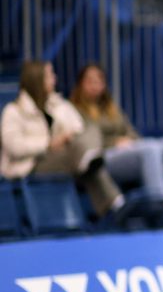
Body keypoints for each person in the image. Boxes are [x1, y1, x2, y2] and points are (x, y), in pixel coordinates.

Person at [69, 64, 163, 221]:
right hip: (102, 158)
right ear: (80, 83)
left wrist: (130, 140)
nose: (95, 85)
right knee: (150, 148)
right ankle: (160, 204)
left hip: (127, 151)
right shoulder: (74, 110)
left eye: (99, 81)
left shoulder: (110, 108)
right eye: (90, 81)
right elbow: (85, 143)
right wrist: (114, 143)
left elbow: (130, 130)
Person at [0, 61, 125, 219]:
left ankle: (111, 201)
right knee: (86, 162)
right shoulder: (13, 111)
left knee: (90, 133)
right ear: (37, 80)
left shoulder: (59, 104)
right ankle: (117, 205)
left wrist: (66, 137)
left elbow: (78, 128)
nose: (55, 78)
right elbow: (14, 146)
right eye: (50, 75)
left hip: (64, 156)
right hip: (31, 164)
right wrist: (49, 144)